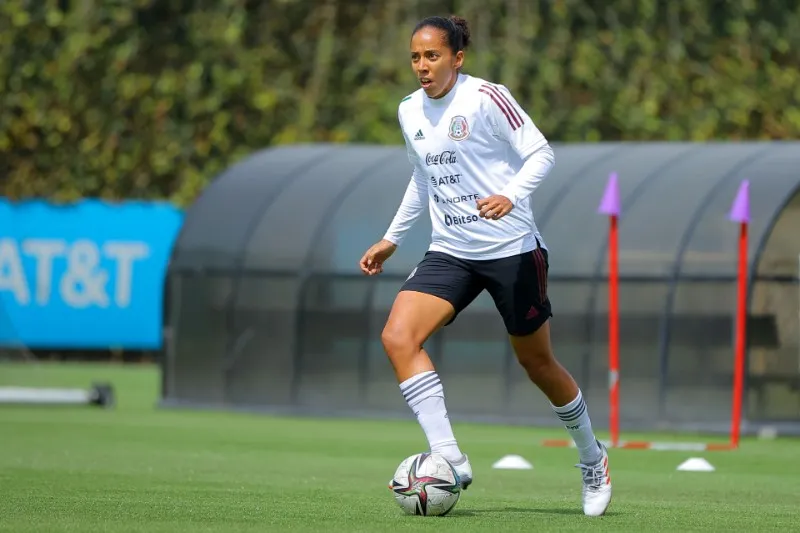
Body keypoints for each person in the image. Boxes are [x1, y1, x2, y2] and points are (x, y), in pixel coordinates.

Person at [358, 14, 612, 517]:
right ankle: (450, 457)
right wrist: (392, 238)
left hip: (512, 248)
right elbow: (421, 177)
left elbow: (541, 154)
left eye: (433, 56)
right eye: (415, 57)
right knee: (398, 337)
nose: (423, 67)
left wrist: (510, 197)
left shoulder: (487, 97)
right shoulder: (409, 110)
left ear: (458, 58)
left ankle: (592, 457)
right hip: (450, 249)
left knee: (536, 364)